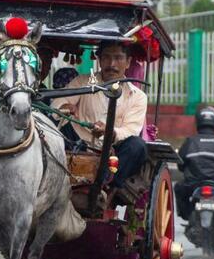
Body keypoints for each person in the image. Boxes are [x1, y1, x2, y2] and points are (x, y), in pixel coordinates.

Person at [55, 41, 148, 188]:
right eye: (106, 57)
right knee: (54, 132)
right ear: (99, 60)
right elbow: (59, 101)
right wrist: (64, 106)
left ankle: (105, 184)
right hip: (79, 145)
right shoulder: (82, 81)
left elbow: (131, 130)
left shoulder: (138, 96)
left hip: (114, 155)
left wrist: (110, 131)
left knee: (137, 146)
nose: (112, 64)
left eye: (118, 58)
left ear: (128, 62)